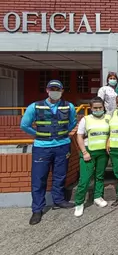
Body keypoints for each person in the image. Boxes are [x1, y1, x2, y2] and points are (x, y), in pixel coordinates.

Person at [20, 80, 77, 225]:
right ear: (47, 90)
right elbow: (24, 125)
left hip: (62, 145)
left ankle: (59, 200)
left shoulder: (69, 106)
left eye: (58, 89)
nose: (55, 91)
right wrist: (38, 134)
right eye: (52, 88)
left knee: (60, 175)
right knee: (39, 178)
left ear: (62, 91)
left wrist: (62, 134)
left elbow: (72, 123)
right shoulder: (35, 106)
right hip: (42, 147)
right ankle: (37, 209)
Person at [74, 97, 110, 217]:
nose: (98, 109)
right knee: (84, 179)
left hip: (103, 153)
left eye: (100, 107)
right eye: (95, 108)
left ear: (104, 107)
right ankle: (79, 203)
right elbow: (79, 136)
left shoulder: (108, 118)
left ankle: (97, 197)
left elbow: (111, 133)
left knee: (99, 176)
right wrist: (84, 152)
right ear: (91, 108)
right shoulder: (86, 119)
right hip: (89, 151)